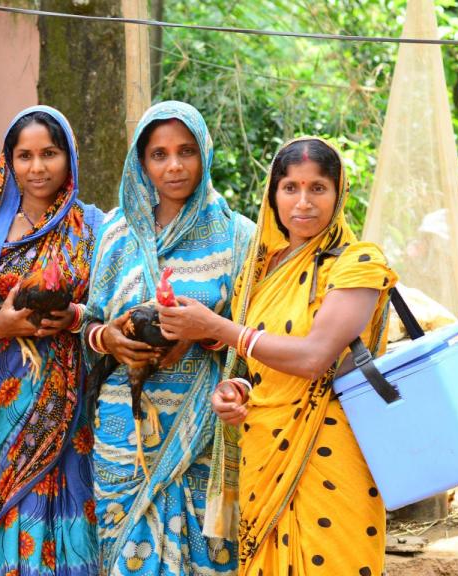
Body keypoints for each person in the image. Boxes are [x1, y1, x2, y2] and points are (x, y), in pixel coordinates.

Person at [158, 137, 397, 576]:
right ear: (273, 195)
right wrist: (236, 389)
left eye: (317, 188)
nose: (303, 202)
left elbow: (314, 358)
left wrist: (218, 328)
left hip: (331, 450)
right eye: (290, 188)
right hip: (263, 449)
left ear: (339, 193)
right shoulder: (260, 269)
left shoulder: (358, 262)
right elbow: (257, 363)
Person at [82, 101, 253, 575]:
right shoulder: (116, 233)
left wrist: (205, 334)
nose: (174, 166)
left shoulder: (238, 236)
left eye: (186, 151)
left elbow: (254, 334)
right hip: (124, 426)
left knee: (207, 556)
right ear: (141, 162)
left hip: (206, 424)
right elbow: (88, 323)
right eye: (159, 154)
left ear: (205, 154)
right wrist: (108, 339)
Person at [0, 106, 103, 574]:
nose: (38, 167)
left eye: (49, 154)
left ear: (69, 158)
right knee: (9, 513)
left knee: (73, 512)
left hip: (74, 402)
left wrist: (75, 317)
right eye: (25, 156)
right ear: (9, 161)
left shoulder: (94, 227)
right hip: (6, 398)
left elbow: (111, 306)